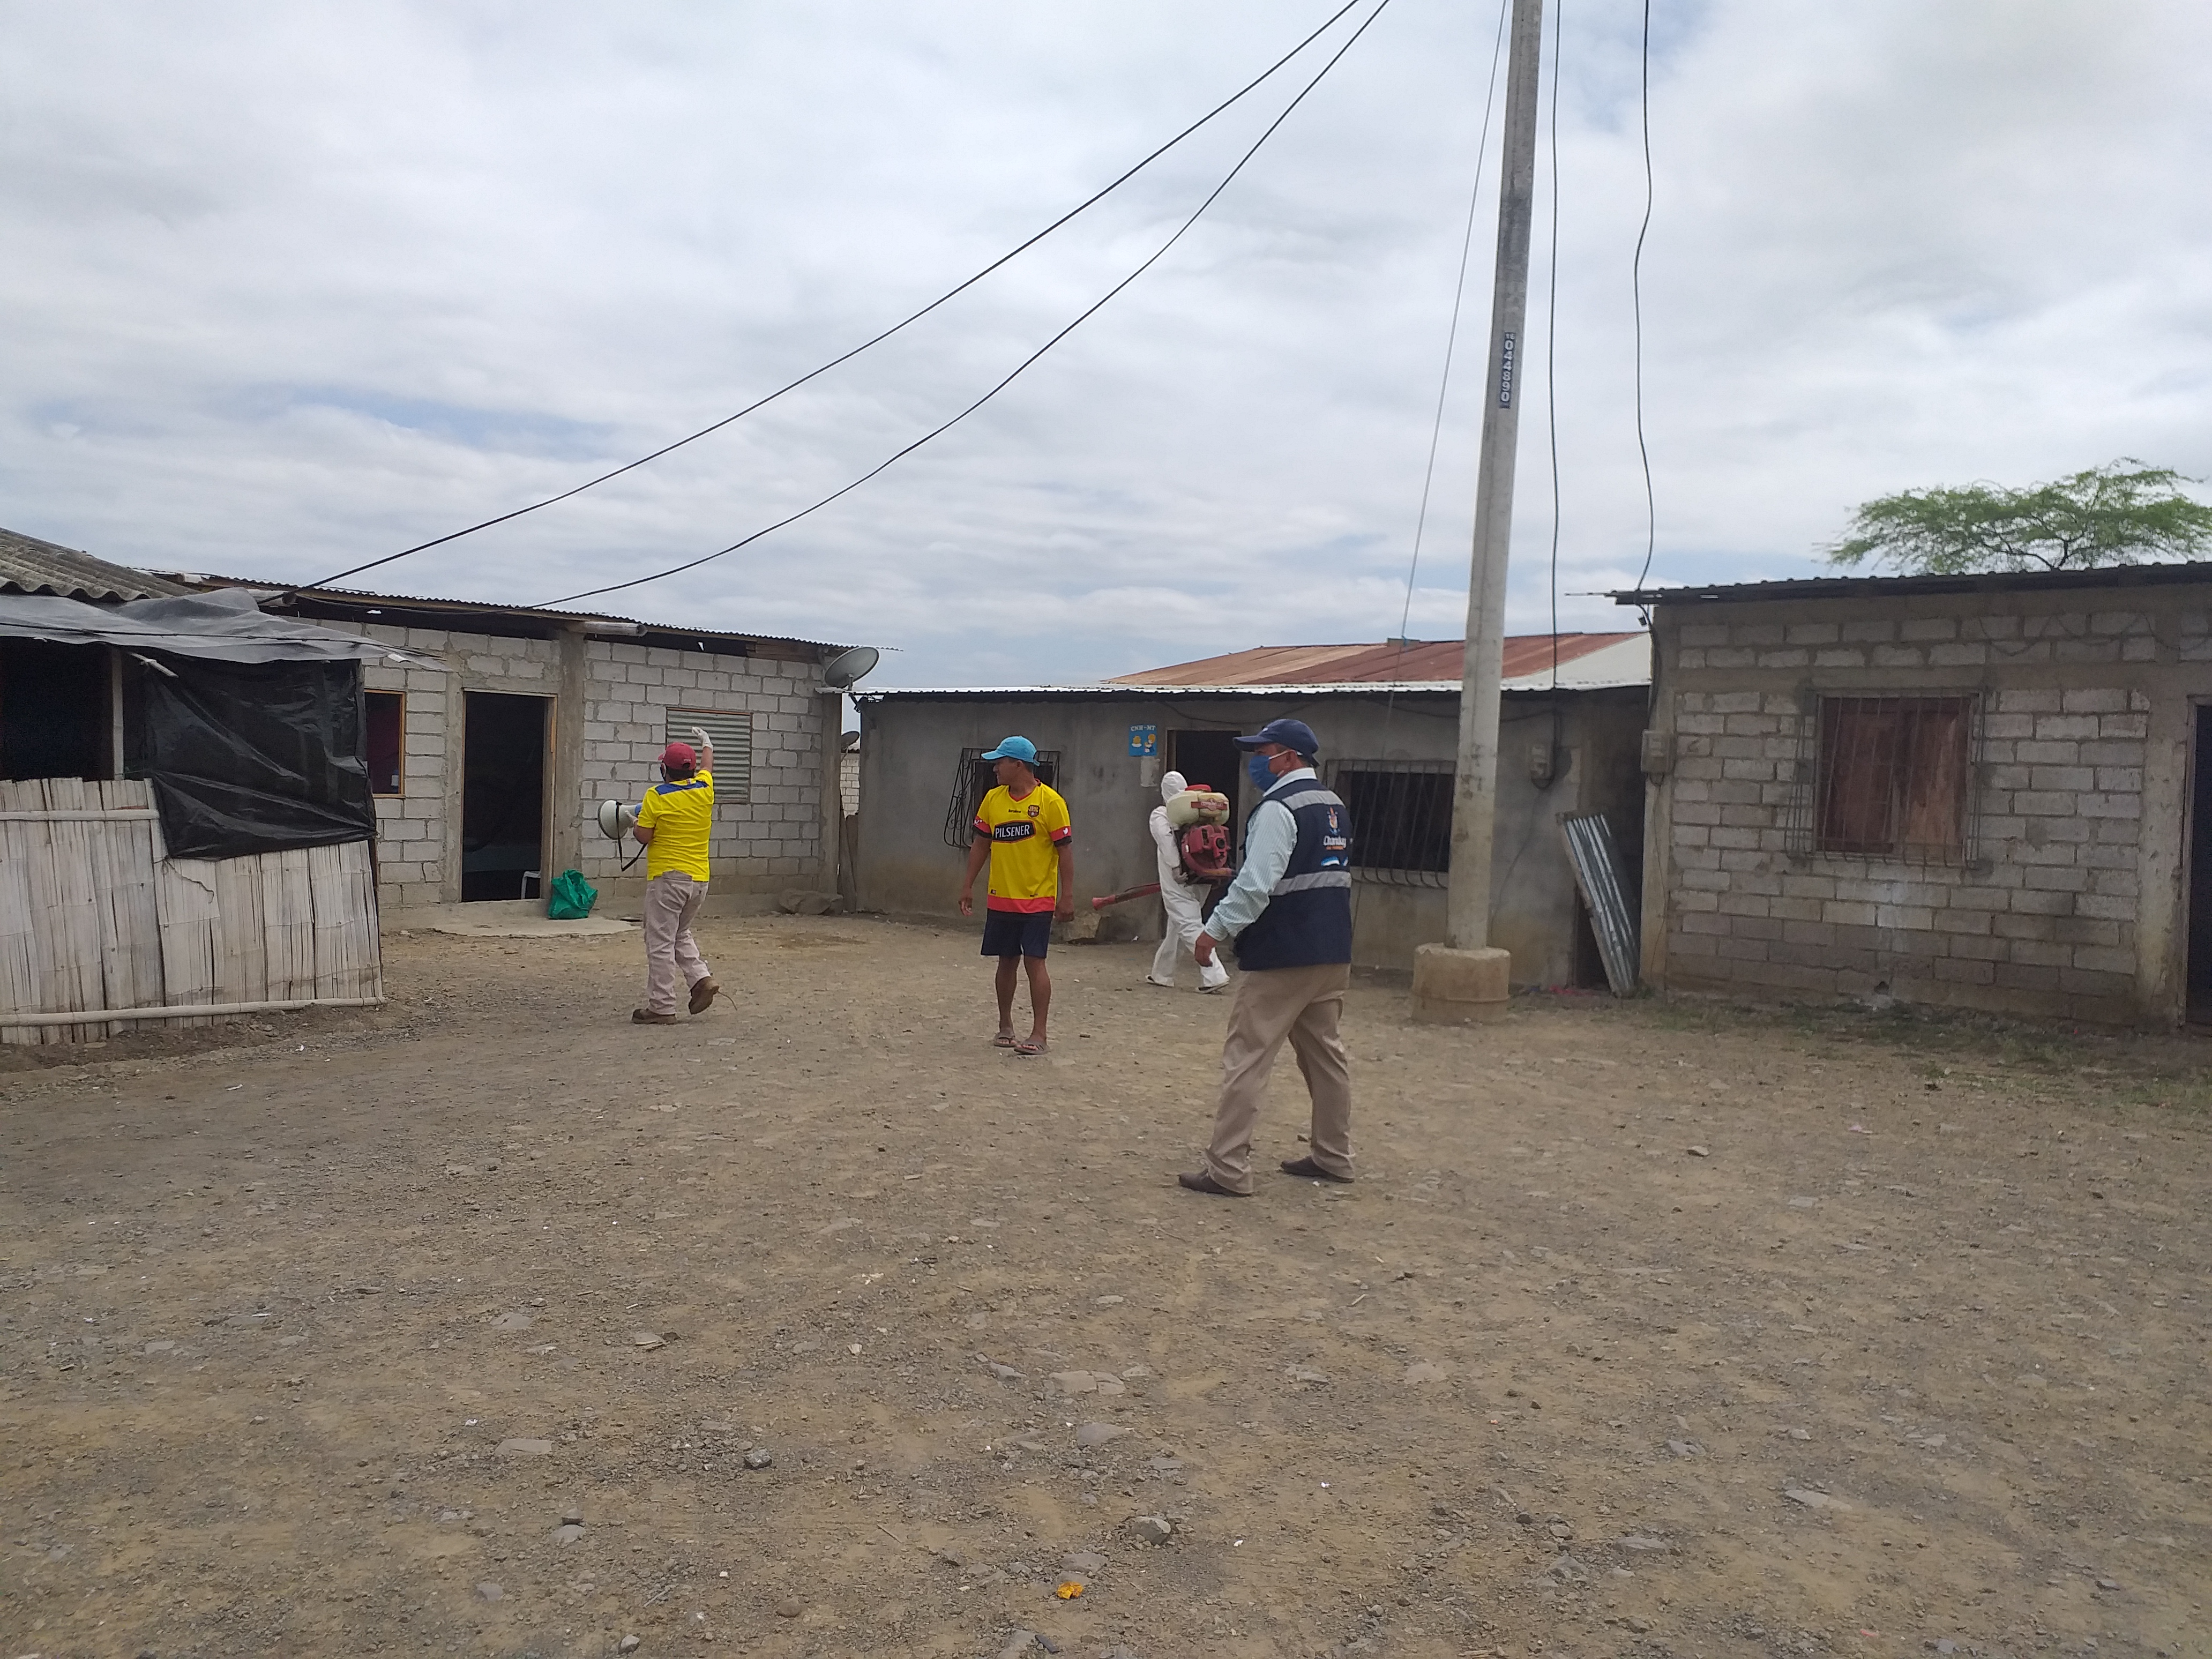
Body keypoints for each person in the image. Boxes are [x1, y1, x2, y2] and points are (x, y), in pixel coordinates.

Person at [1178, 717, 1353, 1197]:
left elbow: (1257, 886)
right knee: (1326, 1057)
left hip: (1283, 951)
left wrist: (1213, 931)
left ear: (1288, 758)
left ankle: (1228, 1169)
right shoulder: (1332, 805)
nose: (1256, 762)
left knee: (1248, 1057)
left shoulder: (1279, 808)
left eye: (1263, 753)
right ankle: (1333, 1155)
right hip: (1332, 949)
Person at [956, 735, 1073, 1056]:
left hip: (1038, 899)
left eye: (1000, 762)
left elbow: (1065, 853)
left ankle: (1039, 1034)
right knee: (1006, 961)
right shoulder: (993, 799)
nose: (995, 768)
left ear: (1018, 765)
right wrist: (968, 885)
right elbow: (981, 844)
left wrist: (1067, 896)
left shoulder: (1051, 803)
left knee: (1035, 962)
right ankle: (1005, 1026)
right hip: (1002, 897)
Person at [630, 727, 721, 1025]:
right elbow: (708, 767)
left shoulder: (656, 797)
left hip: (668, 879)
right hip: (699, 880)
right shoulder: (705, 789)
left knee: (659, 942)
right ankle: (701, 980)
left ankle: (662, 1006)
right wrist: (707, 744)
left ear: (664, 770)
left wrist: (634, 823)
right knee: (679, 933)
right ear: (691, 769)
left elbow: (644, 836)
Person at [1146, 769, 1229, 993]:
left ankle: (1215, 975)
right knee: (1178, 923)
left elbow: (1166, 841)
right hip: (1203, 875)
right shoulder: (1199, 813)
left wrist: (1176, 867)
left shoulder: (1162, 813)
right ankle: (1162, 973)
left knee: (1188, 924)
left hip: (1179, 878)